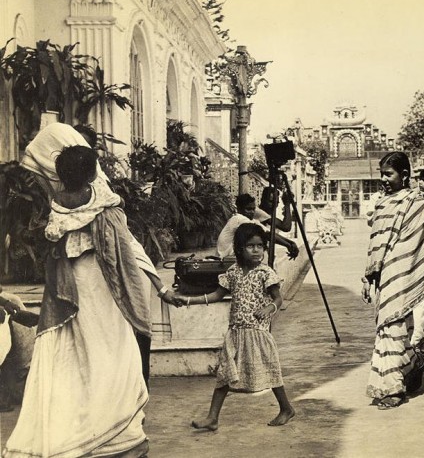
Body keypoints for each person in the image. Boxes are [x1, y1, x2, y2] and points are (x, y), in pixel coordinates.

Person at [4, 145, 179, 457]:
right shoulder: (107, 207)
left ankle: (85, 428)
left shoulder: (56, 207)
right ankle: (115, 430)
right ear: (91, 174)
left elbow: (56, 253)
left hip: (71, 289)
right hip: (102, 286)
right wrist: (151, 289)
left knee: (76, 358)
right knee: (114, 354)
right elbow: (125, 252)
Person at [20, 121, 176, 387]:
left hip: (107, 282)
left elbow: (127, 246)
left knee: (114, 344)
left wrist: (159, 286)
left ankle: (129, 396)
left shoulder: (89, 204)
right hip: (87, 286)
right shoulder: (79, 202)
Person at [175, 223, 295, 430]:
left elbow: (278, 298)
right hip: (235, 333)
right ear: (240, 248)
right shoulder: (233, 272)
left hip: (258, 333)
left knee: (270, 370)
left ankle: (286, 408)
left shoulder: (266, 273)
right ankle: (212, 418)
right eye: (251, 246)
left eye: (260, 246)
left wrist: (269, 309)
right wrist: (187, 301)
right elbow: (216, 295)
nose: (257, 250)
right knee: (224, 374)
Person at [361, 152, 424, 410]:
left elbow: (415, 241)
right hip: (383, 275)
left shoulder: (415, 203)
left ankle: (394, 388)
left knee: (392, 325)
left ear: (404, 176)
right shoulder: (382, 204)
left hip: (402, 270)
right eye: (381, 173)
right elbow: (376, 242)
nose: (383, 179)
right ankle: (413, 363)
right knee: (386, 328)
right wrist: (369, 277)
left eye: (388, 174)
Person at [217, 193, 299, 261]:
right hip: (227, 258)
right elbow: (266, 235)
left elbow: (268, 232)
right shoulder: (238, 219)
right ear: (239, 209)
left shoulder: (252, 221)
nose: (252, 212)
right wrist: (288, 245)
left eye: (253, 209)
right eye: (248, 209)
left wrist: (291, 243)